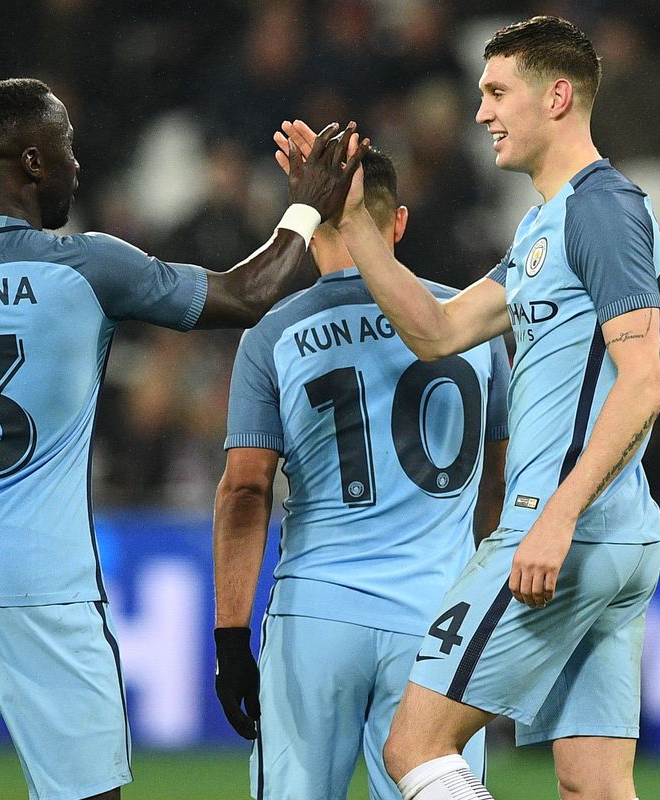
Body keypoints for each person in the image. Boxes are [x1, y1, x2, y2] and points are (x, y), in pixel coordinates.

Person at [0, 77, 367, 800]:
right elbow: (246, 294)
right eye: (66, 147)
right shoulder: (87, 267)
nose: (77, 166)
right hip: (45, 588)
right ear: (31, 160)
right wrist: (307, 206)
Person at [292, 15, 660, 800]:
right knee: (593, 786)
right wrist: (354, 220)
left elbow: (647, 379)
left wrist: (556, 518)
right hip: (613, 537)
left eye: (497, 92)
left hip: (561, 532)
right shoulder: (546, 224)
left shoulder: (602, 208)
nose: (481, 113)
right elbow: (438, 329)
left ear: (558, 96)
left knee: (414, 748)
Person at [212, 148, 509, 800]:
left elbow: (245, 489)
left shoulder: (273, 334)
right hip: (438, 619)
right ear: (397, 223)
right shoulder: (474, 325)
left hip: (317, 617)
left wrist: (230, 634)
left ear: (313, 223)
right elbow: (498, 479)